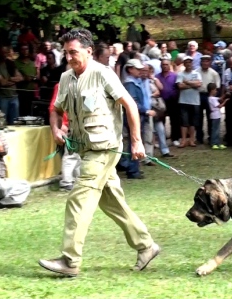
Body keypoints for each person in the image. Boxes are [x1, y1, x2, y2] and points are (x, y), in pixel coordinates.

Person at [39, 28, 160, 277]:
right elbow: (55, 109)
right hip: (85, 150)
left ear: (89, 51)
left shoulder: (103, 74)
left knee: (79, 199)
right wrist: (56, 129)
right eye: (66, 53)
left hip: (104, 149)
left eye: (74, 52)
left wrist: (137, 141)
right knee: (112, 202)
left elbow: (130, 104)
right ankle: (146, 246)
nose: (70, 57)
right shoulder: (66, 78)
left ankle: (70, 261)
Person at [207, 83, 228, 149]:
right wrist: (225, 101)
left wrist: (225, 95)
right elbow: (220, 106)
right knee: (215, 130)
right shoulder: (211, 99)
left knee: (217, 130)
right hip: (215, 116)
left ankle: (218, 142)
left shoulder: (213, 98)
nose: (216, 91)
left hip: (217, 116)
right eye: (215, 90)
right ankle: (213, 143)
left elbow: (219, 99)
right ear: (211, 90)